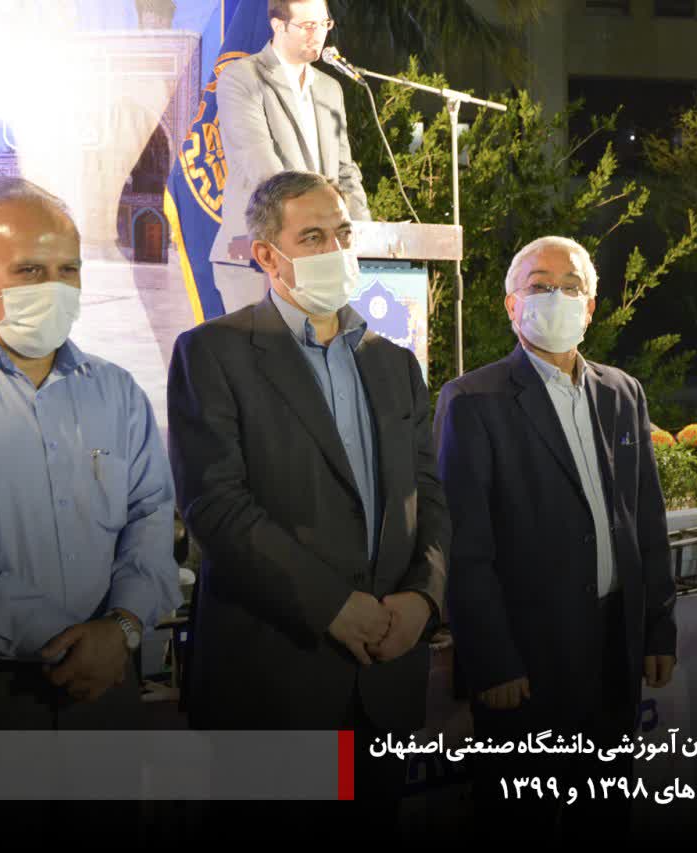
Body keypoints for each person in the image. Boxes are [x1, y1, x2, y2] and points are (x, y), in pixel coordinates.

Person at [167, 171, 447, 817]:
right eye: (313, 237)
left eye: (342, 233)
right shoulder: (213, 353)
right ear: (267, 256)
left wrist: (423, 597)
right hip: (274, 681)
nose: (336, 250)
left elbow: (428, 494)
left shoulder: (393, 362)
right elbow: (216, 506)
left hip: (384, 675)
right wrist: (331, 606)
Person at [433, 235, 677, 839]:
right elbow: (466, 547)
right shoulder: (472, 401)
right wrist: (492, 661)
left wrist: (657, 628)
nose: (555, 297)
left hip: (614, 648)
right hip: (526, 661)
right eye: (539, 286)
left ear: (590, 306)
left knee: (605, 816)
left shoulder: (622, 392)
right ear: (511, 304)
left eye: (571, 287)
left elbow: (646, 520)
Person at [0, 179, 180, 729]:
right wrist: (63, 641)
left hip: (109, 684)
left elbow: (150, 517)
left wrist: (120, 629)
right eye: (30, 270)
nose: (54, 288)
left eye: (68, 270)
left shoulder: (118, 392)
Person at [211, 0, 370, 312]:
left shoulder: (330, 89)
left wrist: (364, 234)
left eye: (324, 24)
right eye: (307, 26)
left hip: (323, 257)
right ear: (278, 25)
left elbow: (344, 171)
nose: (318, 34)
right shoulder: (242, 78)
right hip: (259, 256)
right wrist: (317, 227)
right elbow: (265, 172)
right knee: (267, 344)